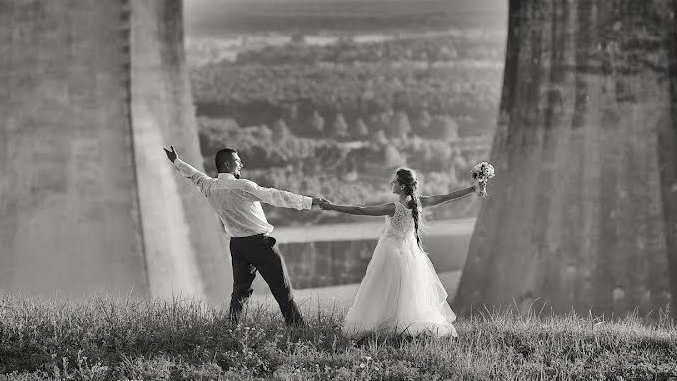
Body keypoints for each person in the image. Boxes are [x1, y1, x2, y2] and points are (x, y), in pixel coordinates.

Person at [164, 145, 325, 327]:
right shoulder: (243, 186)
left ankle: (232, 328)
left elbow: (193, 175)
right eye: (237, 161)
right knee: (282, 290)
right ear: (227, 164)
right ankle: (299, 330)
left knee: (240, 292)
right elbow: (275, 196)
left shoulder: (209, 186)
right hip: (259, 245)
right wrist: (310, 202)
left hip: (237, 246)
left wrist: (176, 161)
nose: (241, 164)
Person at [320, 168, 483, 339]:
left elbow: (360, 210)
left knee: (382, 289)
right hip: (412, 254)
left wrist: (332, 206)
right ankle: (403, 325)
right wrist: (473, 189)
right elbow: (446, 197)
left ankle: (383, 324)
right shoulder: (419, 203)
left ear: (403, 186)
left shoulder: (394, 207)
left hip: (391, 253)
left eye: (395, 181)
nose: (392, 183)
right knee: (408, 292)